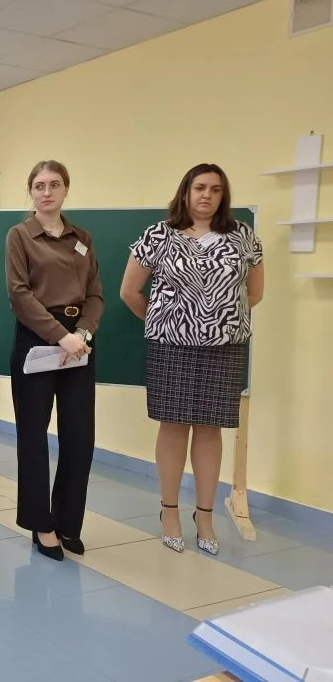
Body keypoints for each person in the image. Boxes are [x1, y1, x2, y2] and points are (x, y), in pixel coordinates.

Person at [121, 163, 263, 556]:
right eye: (200, 187)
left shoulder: (243, 236)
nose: (207, 195)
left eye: (215, 189)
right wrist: (168, 320)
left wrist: (215, 319)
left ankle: (205, 516)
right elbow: (130, 292)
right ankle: (169, 512)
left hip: (224, 347)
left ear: (223, 195)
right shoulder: (158, 234)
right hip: (171, 346)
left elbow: (254, 293)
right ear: (186, 191)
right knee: (172, 426)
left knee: (210, 429)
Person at [5, 160, 103, 561]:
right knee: (33, 437)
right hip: (38, 339)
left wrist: (82, 335)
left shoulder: (83, 238)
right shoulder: (19, 235)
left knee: (79, 437)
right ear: (31, 191)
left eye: (55, 185)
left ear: (65, 190)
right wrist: (60, 336)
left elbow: (95, 295)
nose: (47, 192)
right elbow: (19, 294)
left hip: (79, 344)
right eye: (40, 185)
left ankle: (67, 522)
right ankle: (40, 525)